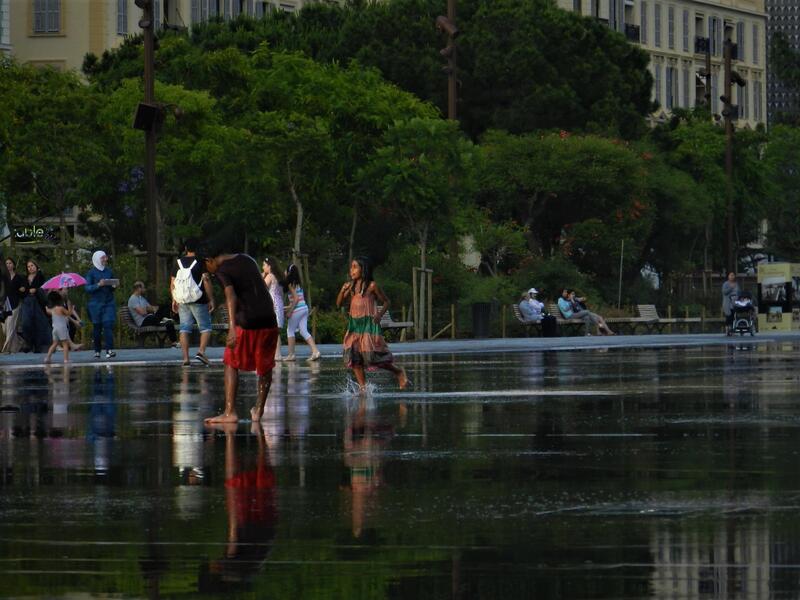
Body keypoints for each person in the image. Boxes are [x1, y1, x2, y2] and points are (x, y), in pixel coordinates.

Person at [203, 251, 279, 424]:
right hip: (269, 318)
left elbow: (231, 296)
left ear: (209, 260)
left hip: (246, 321)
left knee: (230, 361)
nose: (209, 272)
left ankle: (230, 412)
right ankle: (258, 409)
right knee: (265, 365)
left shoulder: (222, 270)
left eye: (206, 267)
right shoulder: (248, 258)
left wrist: (231, 328)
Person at [336, 257, 409, 391]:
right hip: (354, 326)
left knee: (373, 357)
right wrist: (342, 290)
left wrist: (379, 315)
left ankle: (398, 372)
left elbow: (386, 302)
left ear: (363, 269)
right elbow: (338, 303)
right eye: (351, 267)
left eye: (355, 267)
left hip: (368, 327)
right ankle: (363, 388)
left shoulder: (372, 286)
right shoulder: (351, 286)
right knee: (354, 357)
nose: (351, 270)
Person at [172, 239, 215, 367]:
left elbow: (172, 283)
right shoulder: (200, 262)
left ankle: (186, 359)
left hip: (182, 300)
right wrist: (211, 299)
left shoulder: (178, 262)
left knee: (184, 328)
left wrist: (174, 299)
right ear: (197, 248)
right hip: (198, 299)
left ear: (186, 248)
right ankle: (201, 352)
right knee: (205, 327)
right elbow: (206, 280)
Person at [283, 263, 321, 362]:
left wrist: (289, 312)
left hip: (297, 310)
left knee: (290, 330)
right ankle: (315, 351)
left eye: (285, 271)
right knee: (303, 331)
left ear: (288, 273)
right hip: (304, 309)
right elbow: (297, 301)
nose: (284, 272)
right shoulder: (298, 284)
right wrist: (284, 308)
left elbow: (296, 299)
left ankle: (291, 355)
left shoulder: (290, 284)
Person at [85, 251, 118, 359]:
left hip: (108, 303)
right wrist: (98, 284)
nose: (105, 259)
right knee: (97, 328)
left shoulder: (109, 271)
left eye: (105, 257)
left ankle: (109, 350)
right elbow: (87, 288)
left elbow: (112, 286)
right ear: (97, 259)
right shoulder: (91, 273)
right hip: (95, 305)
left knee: (108, 325)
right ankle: (97, 350)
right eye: (103, 258)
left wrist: (113, 286)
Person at [128, 281, 178, 346]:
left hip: (150, 318)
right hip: (142, 322)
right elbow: (142, 312)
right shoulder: (133, 299)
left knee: (165, 311)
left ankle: (174, 342)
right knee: (155, 316)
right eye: (143, 287)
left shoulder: (141, 298)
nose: (145, 289)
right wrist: (148, 309)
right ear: (138, 288)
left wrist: (151, 309)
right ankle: (164, 320)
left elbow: (152, 308)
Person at [20, 259, 51, 353]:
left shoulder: (40, 276)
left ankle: (39, 346)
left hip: (38, 302)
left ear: (36, 266)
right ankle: (29, 343)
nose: (30, 268)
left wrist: (36, 290)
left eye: (32, 265)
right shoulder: (25, 278)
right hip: (27, 302)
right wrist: (24, 290)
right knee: (26, 323)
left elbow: (44, 288)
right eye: (28, 266)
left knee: (39, 323)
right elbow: (22, 291)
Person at [44, 291, 80, 364]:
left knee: (54, 344)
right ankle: (66, 360)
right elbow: (69, 313)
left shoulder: (52, 309)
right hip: (61, 329)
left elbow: (47, 311)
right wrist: (70, 307)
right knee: (65, 344)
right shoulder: (61, 308)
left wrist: (46, 307)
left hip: (55, 329)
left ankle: (47, 358)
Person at [262, 257, 285, 361]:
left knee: (268, 330)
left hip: (272, 305)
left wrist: (262, 276)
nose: (263, 267)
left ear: (269, 266)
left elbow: (261, 288)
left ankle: (271, 354)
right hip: (279, 304)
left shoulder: (270, 276)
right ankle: (277, 354)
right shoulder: (279, 277)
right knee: (276, 332)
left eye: (264, 265)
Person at [2, 256, 25, 353]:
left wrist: (22, 289)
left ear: (13, 265)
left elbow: (24, 288)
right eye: (6, 263)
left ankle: (5, 350)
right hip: (4, 305)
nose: (8, 265)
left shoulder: (18, 277)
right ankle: (19, 343)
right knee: (5, 329)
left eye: (10, 263)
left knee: (10, 328)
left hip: (15, 304)